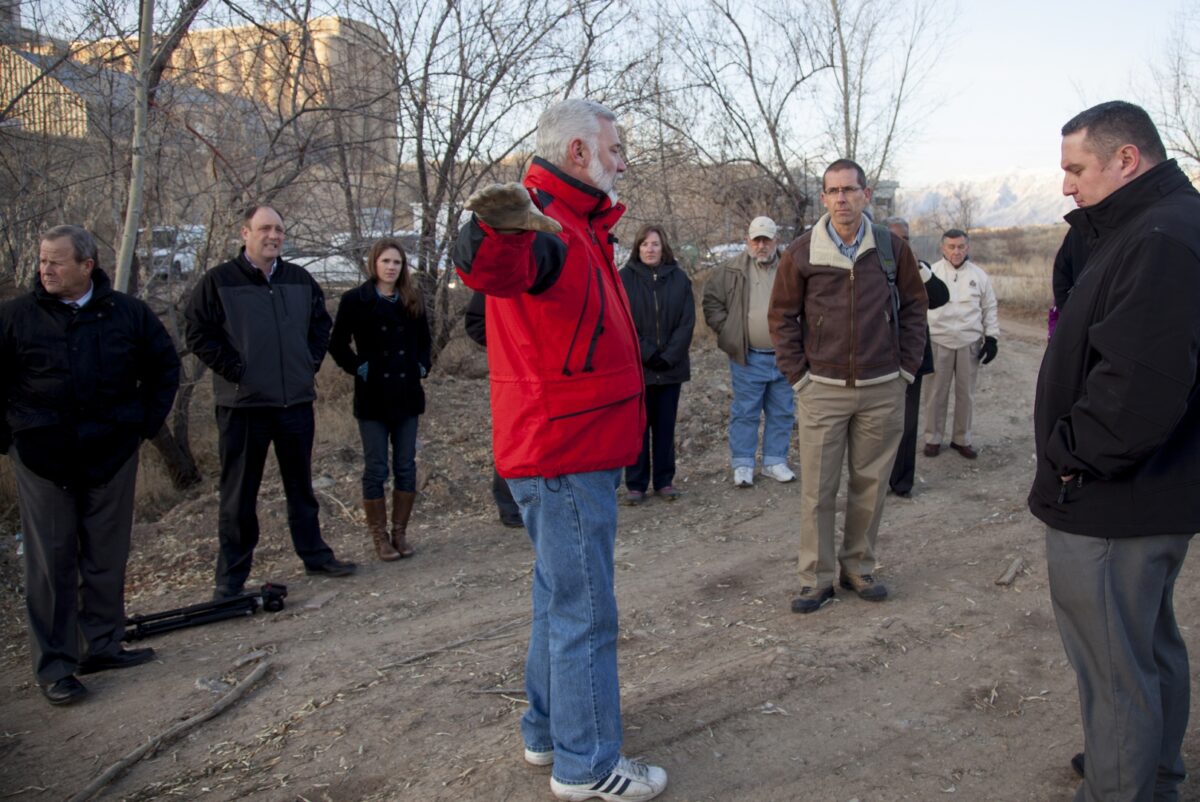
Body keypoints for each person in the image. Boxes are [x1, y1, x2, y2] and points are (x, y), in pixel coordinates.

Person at [451, 98, 667, 802]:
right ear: (579, 151)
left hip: (572, 447)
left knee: (557, 600)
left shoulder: (579, 223)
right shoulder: (543, 222)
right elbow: (494, 266)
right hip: (564, 453)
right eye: (615, 148)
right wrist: (492, 227)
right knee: (585, 611)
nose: (622, 162)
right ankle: (588, 764)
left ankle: (548, 732)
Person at [1030, 100, 1200, 802]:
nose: (1066, 184)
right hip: (1142, 494)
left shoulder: (1160, 236)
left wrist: (1070, 459)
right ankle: (1152, 775)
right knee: (1144, 648)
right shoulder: (1151, 224)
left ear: (1126, 159)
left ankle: (1122, 785)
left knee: (1115, 671)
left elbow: (1136, 390)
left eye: (1077, 168)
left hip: (1114, 499)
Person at [0, 225, 180, 704]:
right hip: (43, 459)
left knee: (106, 555)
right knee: (51, 564)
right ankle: (56, 667)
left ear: (87, 265)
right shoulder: (16, 317)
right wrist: (12, 438)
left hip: (111, 453)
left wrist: (142, 425)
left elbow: (164, 367)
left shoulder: (127, 313)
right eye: (42, 261)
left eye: (56, 262)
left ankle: (100, 644)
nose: (46, 270)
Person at [769, 159, 927, 613]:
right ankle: (815, 579)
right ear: (823, 198)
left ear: (865, 194)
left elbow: (915, 309)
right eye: (833, 191)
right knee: (818, 490)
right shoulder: (802, 252)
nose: (842, 198)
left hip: (883, 387)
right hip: (822, 389)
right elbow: (781, 317)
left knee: (871, 485)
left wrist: (906, 370)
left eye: (850, 190)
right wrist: (799, 376)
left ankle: (858, 567)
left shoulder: (891, 249)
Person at [185, 205, 355, 600]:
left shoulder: (299, 279)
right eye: (264, 229)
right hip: (244, 406)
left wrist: (307, 363)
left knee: (301, 487)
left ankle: (315, 555)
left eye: (278, 229)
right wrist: (236, 370)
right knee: (239, 495)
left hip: (295, 401)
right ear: (245, 233)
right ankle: (231, 578)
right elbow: (197, 333)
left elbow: (321, 325)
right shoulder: (219, 282)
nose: (273, 236)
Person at [329, 239, 431, 561]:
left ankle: (400, 533)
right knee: (376, 467)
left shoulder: (412, 298)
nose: (391, 267)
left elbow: (425, 340)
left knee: (406, 465)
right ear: (374, 263)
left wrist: (421, 365)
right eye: (386, 261)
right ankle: (380, 537)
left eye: (397, 262)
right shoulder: (355, 300)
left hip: (407, 394)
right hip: (373, 395)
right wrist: (358, 367)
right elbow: (337, 343)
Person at [702, 216, 796, 488]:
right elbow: (712, 303)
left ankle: (774, 461)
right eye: (756, 240)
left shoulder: (791, 268)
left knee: (782, 411)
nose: (761, 245)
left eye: (766, 240)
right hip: (748, 356)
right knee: (745, 412)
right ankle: (743, 464)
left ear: (776, 240)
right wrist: (729, 332)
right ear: (748, 241)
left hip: (783, 356)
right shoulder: (730, 270)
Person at [619, 224, 695, 504]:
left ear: (664, 248)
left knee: (665, 428)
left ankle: (664, 481)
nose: (650, 249)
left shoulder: (679, 279)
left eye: (655, 244)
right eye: (644, 244)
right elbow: (622, 322)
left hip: (671, 369)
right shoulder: (624, 279)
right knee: (637, 428)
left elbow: (687, 322)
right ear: (637, 248)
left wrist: (669, 356)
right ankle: (636, 484)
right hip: (638, 369)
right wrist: (649, 354)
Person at [882, 217, 949, 497]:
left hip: (912, 357)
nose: (902, 243)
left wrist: (920, 270)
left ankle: (901, 482)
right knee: (877, 424)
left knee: (907, 424)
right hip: (878, 359)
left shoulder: (919, 269)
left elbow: (940, 297)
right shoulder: (871, 266)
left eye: (906, 238)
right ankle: (876, 480)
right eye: (896, 238)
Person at [923, 229, 999, 459]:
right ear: (942, 248)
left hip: (969, 343)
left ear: (968, 248)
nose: (956, 251)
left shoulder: (979, 276)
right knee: (935, 394)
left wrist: (992, 338)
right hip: (938, 340)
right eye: (951, 247)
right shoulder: (931, 274)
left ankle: (961, 439)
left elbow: (989, 307)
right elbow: (919, 307)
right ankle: (933, 438)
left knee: (966, 394)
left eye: (961, 247)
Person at [464, 291, 524, 528]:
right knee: (511, 437)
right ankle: (509, 506)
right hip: (510, 371)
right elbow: (475, 322)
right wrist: (506, 344)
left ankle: (541, 501)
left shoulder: (548, 274)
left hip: (549, 370)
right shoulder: (495, 281)